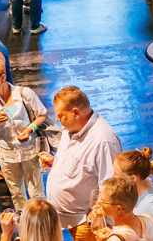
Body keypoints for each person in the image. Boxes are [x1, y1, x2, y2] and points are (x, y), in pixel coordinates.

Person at [42, 86, 123, 233]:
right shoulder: (71, 127)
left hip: (87, 223)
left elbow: (111, 185)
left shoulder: (103, 140)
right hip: (68, 220)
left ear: (75, 113)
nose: (57, 119)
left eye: (60, 115)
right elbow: (81, 164)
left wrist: (94, 218)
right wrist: (56, 163)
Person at [0, 61, 47, 209]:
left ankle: (43, 227)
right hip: (7, 153)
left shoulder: (24, 93)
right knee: (17, 194)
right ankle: (24, 227)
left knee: (37, 194)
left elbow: (42, 115)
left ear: (3, 78)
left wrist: (29, 130)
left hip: (29, 150)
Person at [85, 177, 153, 241]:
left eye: (103, 201)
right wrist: (112, 235)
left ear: (118, 209)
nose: (99, 204)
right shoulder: (149, 220)